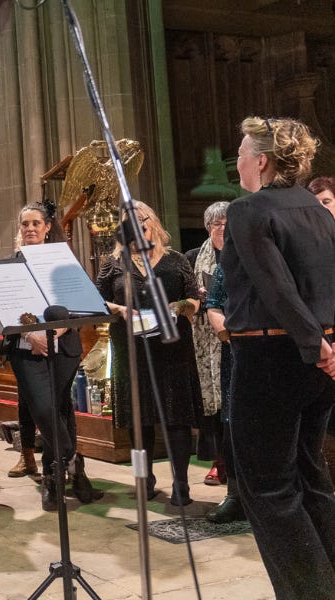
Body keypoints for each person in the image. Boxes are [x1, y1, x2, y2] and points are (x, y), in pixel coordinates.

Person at [221, 116, 335, 598]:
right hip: (322, 358)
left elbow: (277, 288)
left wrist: (315, 345)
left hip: (271, 356)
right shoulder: (318, 208)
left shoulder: (248, 210)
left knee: (268, 489)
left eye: (243, 153)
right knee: (311, 477)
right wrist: (327, 347)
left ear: (262, 161)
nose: (240, 162)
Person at [96, 201, 202, 505]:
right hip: (132, 349)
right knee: (138, 419)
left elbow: (193, 298)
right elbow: (96, 300)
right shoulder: (113, 263)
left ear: (153, 222)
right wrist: (120, 309)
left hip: (172, 348)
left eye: (142, 218)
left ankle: (181, 485)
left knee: (176, 418)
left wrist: (181, 307)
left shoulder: (176, 260)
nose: (138, 223)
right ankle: (145, 481)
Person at [4, 203, 96, 510]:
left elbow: (78, 303)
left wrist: (54, 334)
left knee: (60, 408)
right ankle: (72, 459)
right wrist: (32, 336)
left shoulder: (63, 261)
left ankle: (53, 480)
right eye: (25, 224)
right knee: (43, 408)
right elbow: (6, 306)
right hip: (27, 349)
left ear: (47, 228)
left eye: (35, 224)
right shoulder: (12, 264)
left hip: (63, 346)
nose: (30, 228)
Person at [184, 201, 230, 487]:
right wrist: (198, 299)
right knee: (211, 402)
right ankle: (218, 462)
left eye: (227, 223)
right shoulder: (191, 258)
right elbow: (184, 299)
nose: (222, 228)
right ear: (208, 227)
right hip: (204, 341)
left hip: (236, 332)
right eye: (217, 224)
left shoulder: (246, 251)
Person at [201, 264, 246, 524]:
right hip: (238, 351)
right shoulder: (227, 263)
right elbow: (214, 304)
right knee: (234, 427)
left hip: (280, 349)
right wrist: (228, 336)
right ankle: (236, 497)